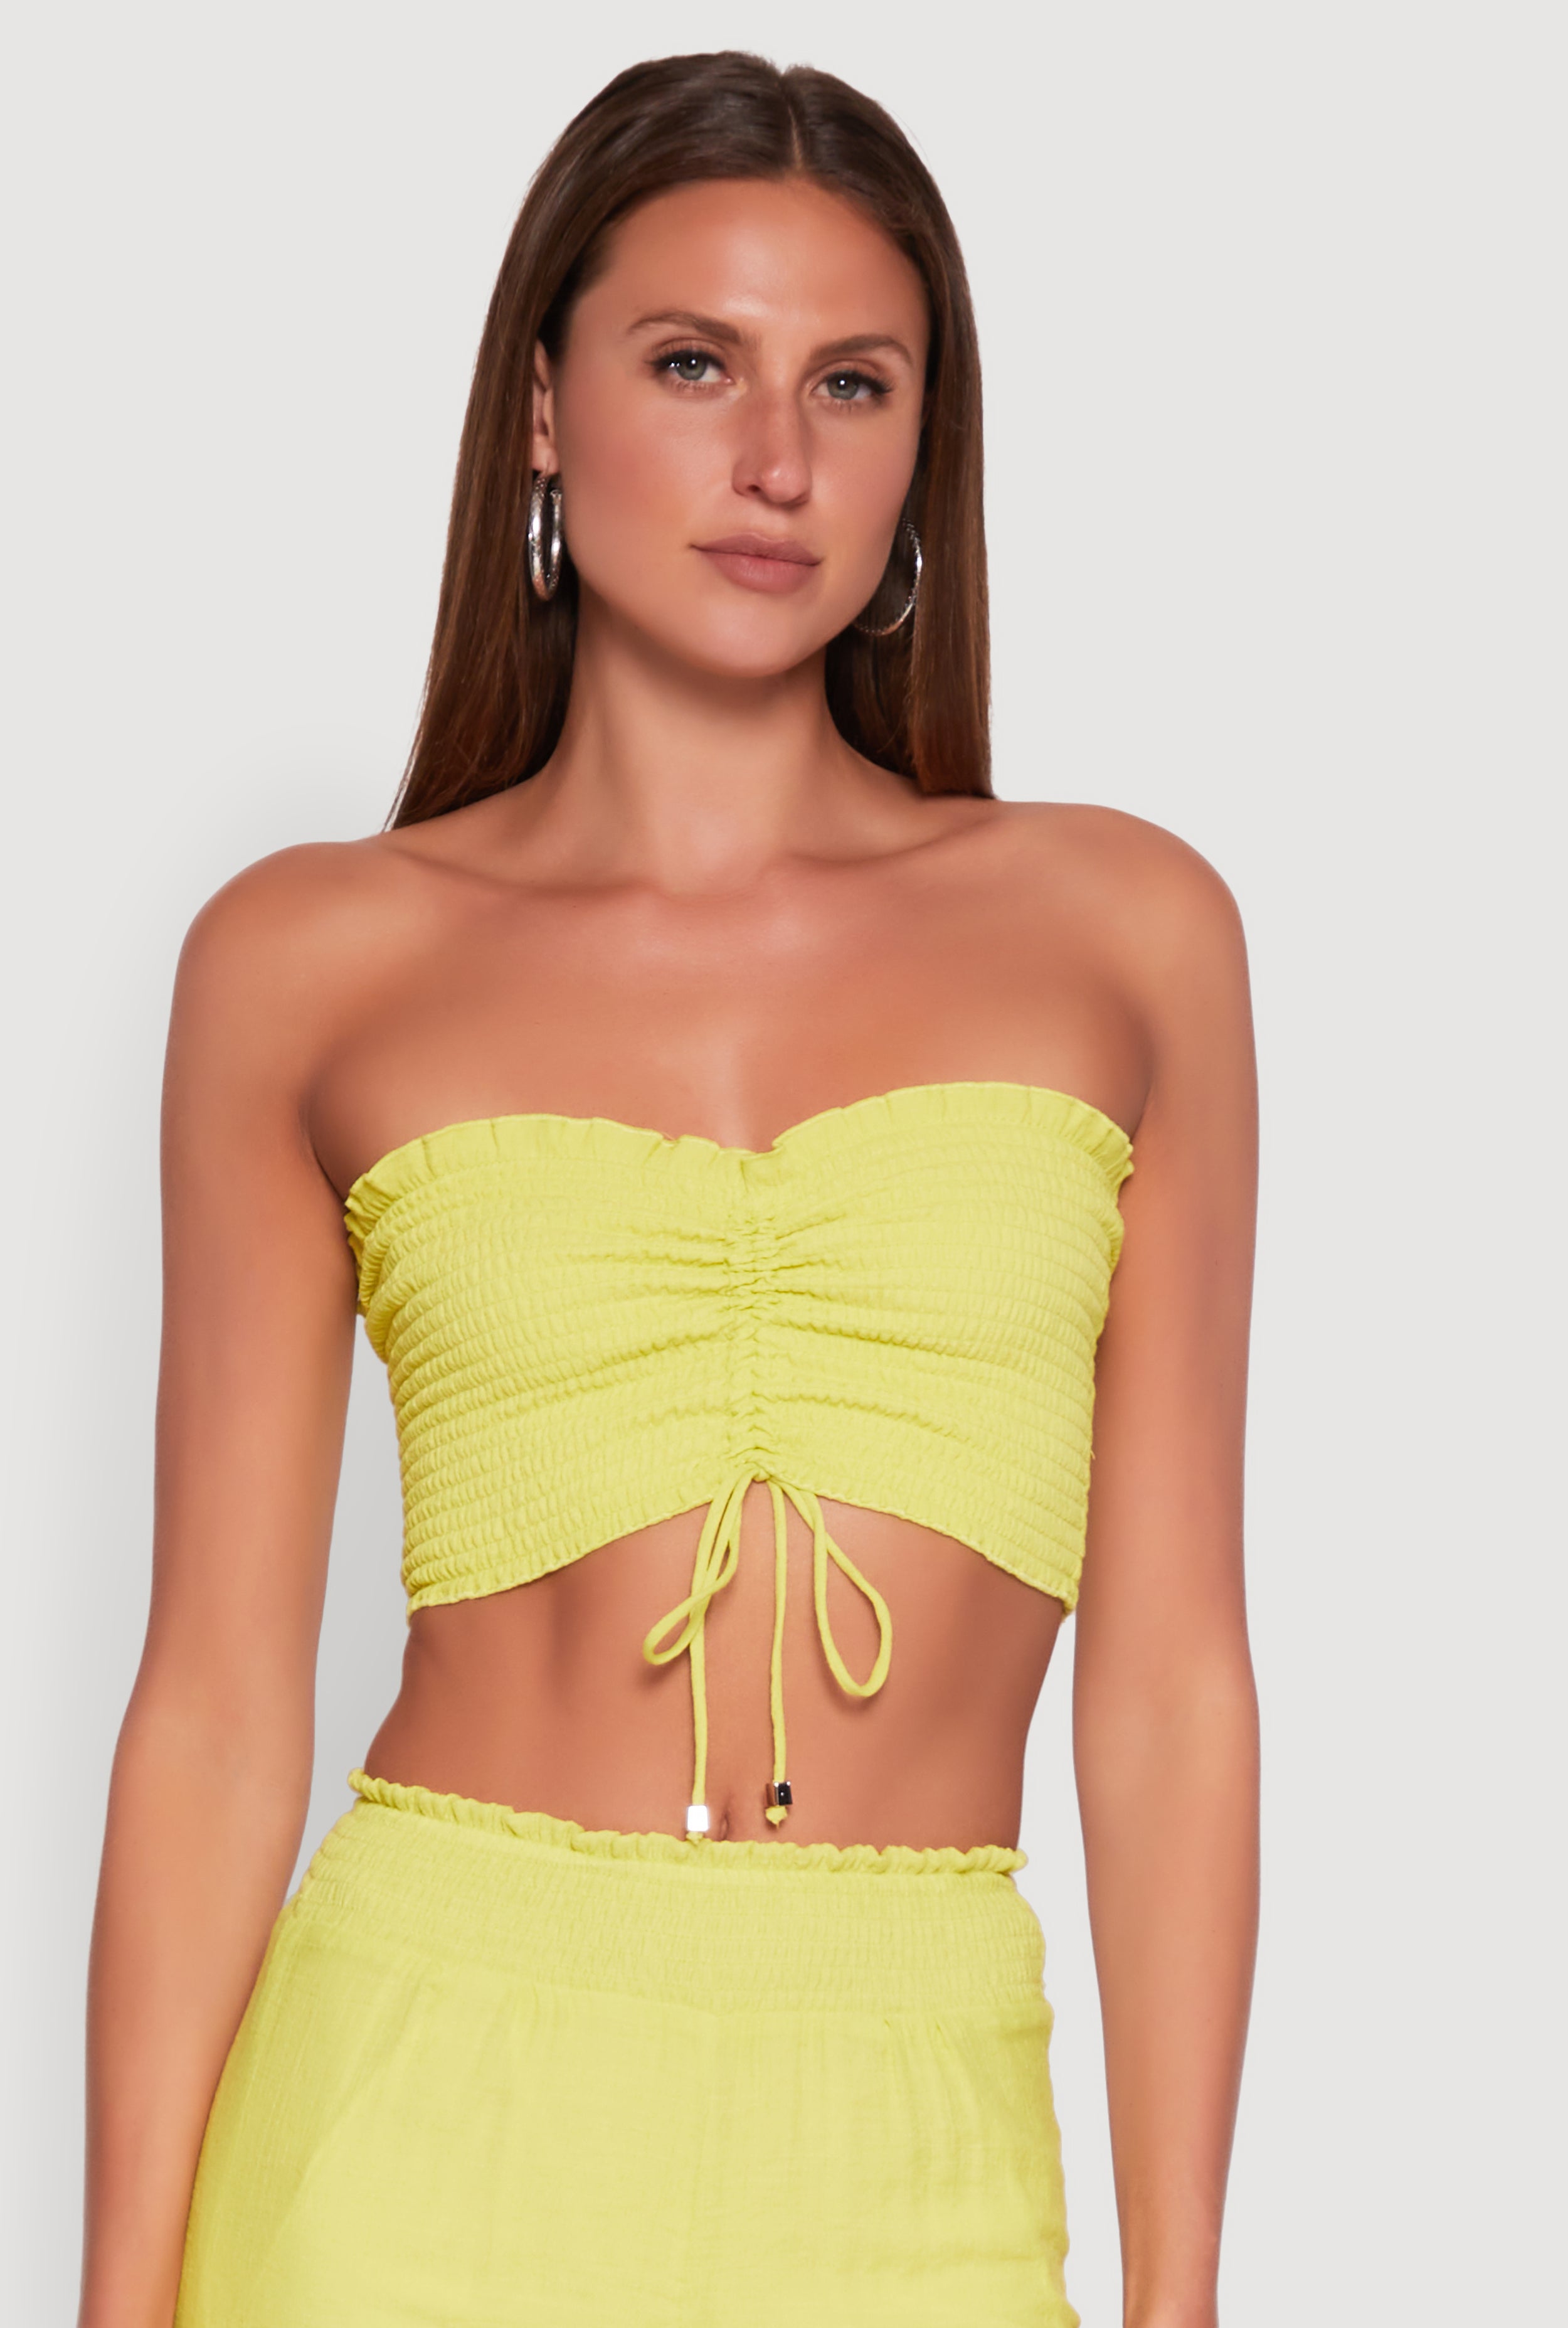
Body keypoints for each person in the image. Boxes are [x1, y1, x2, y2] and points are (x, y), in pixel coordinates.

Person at [82, 50, 1259, 2328]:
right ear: (542, 406)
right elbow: (214, 1704)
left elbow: (1173, 1686)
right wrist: (118, 2301)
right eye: (693, 363)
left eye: (853, 383)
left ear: (923, 451)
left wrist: (1181, 2293)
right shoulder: (308, 961)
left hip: (915, 2119)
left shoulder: (1127, 938)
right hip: (415, 2109)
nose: (775, 460)